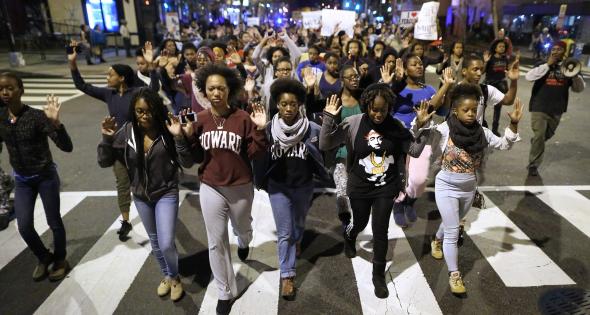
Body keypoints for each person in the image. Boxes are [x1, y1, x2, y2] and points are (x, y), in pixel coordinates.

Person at [173, 64, 268, 315]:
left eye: (221, 88)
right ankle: (225, 292)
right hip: (210, 187)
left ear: (229, 90)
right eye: (211, 88)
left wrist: (260, 129)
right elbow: (192, 159)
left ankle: (244, 239)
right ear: (204, 91)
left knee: (242, 227)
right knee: (216, 242)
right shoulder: (198, 119)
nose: (216, 92)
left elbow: (256, 154)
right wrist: (186, 136)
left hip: (240, 186)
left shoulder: (243, 118)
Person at [413, 83, 523, 295]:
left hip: (468, 189)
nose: (471, 113)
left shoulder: (482, 132)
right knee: (454, 231)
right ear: (455, 110)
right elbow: (421, 138)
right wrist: (420, 123)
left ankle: (436, 239)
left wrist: (514, 124)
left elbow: (504, 145)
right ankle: (454, 273)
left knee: (450, 224)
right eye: (466, 110)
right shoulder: (444, 130)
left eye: (474, 110)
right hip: (445, 186)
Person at [319, 83, 413, 299]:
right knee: (359, 223)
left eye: (383, 109)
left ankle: (378, 274)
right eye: (374, 109)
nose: (378, 114)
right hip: (359, 185)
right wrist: (328, 118)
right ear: (366, 106)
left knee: (381, 231)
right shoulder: (354, 123)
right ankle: (349, 235)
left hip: (386, 187)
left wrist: (422, 128)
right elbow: (325, 144)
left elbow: (414, 150)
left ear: (389, 107)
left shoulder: (396, 126)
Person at [97, 88, 185, 301]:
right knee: (155, 242)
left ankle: (174, 277)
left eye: (148, 111)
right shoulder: (127, 132)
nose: (144, 116)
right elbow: (103, 161)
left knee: (166, 243)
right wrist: (106, 139)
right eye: (139, 111)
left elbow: (189, 161)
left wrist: (180, 137)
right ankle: (166, 275)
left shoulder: (167, 130)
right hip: (141, 196)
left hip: (166, 192)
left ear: (156, 110)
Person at [68, 40, 160, 241]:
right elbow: (81, 85)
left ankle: (154, 214)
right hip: (117, 149)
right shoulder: (108, 94)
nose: (106, 77)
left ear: (122, 78)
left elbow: (153, 90)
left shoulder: (136, 93)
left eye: (110, 74)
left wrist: (152, 66)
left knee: (142, 183)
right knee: (122, 184)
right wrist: (73, 64)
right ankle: (126, 221)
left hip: (137, 148)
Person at [253, 78, 329, 300]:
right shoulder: (268, 130)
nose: (288, 108)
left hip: (304, 186)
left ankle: (297, 239)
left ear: (299, 105)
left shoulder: (311, 129)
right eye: (284, 103)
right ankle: (288, 275)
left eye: (293, 104)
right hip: (279, 188)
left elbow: (326, 148)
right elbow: (257, 155)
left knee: (298, 225)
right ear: (277, 104)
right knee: (284, 232)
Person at [0, 72, 73, 281]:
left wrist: (57, 124)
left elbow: (66, 147)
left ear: (21, 90)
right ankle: (44, 257)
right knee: (24, 226)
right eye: (1, 89)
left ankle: (60, 260)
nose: (5, 92)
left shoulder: (36, 117)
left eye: (10, 88)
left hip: (45, 177)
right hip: (22, 180)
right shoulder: (1, 118)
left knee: (54, 222)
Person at [524, 40, 585, 177]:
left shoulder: (568, 66)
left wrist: (574, 76)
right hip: (539, 106)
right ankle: (533, 164)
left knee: (547, 135)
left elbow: (578, 89)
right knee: (539, 135)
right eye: (554, 49)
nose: (555, 51)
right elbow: (529, 77)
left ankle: (536, 143)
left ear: (564, 51)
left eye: (559, 49)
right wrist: (547, 65)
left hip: (557, 108)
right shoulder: (541, 64)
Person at [459, 54, 519, 127]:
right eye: (475, 69)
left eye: (481, 69)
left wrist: (514, 81)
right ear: (464, 71)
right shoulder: (453, 90)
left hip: (476, 136)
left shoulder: (485, 90)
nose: (479, 73)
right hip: (454, 135)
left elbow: (508, 100)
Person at [483, 40, 511, 136]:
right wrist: (485, 62)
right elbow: (482, 71)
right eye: (500, 46)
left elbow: (507, 70)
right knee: (482, 106)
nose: (502, 48)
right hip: (489, 84)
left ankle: (495, 129)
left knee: (498, 108)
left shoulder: (505, 59)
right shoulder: (490, 58)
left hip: (500, 86)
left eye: (503, 46)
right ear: (495, 48)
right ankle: (480, 125)